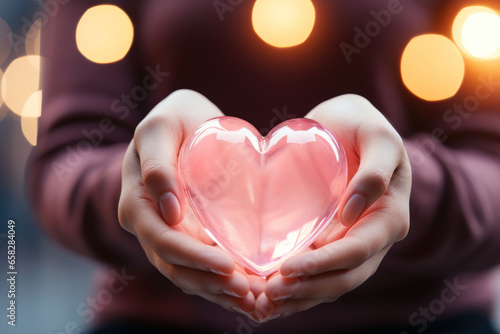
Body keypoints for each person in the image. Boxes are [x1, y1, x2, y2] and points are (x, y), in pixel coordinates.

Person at [28, 0, 500, 333]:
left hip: (429, 319)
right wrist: (151, 182)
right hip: (156, 321)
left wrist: (397, 186)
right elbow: (64, 162)